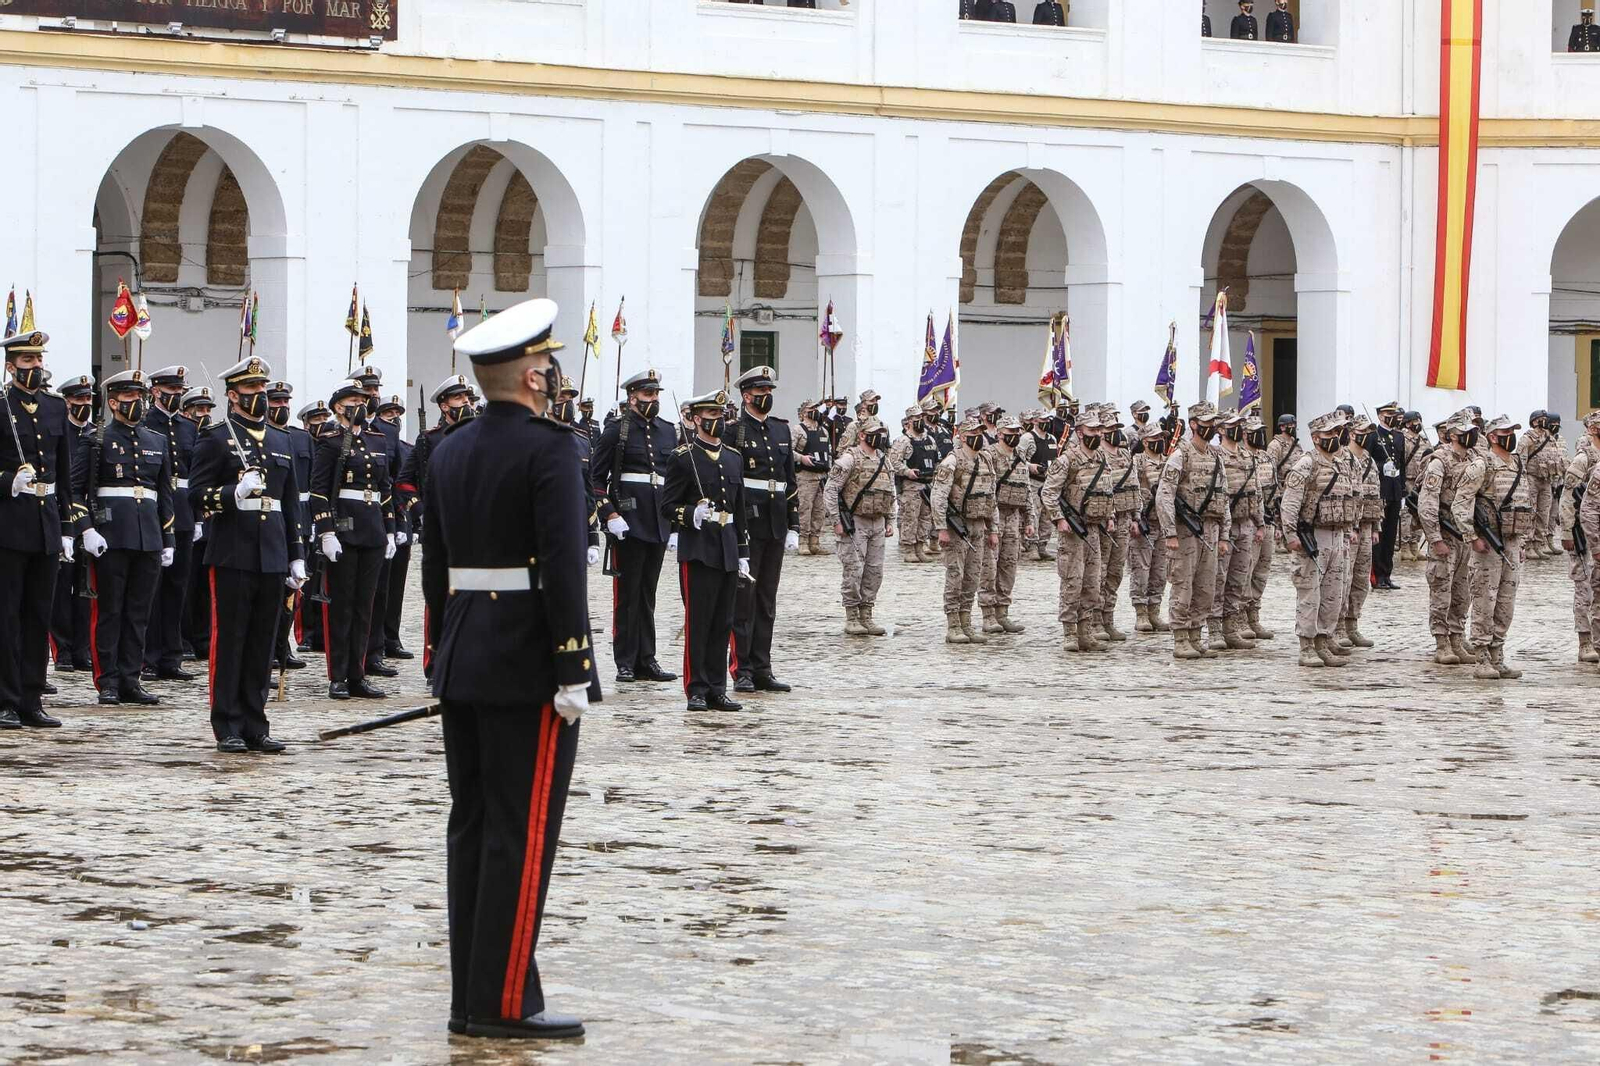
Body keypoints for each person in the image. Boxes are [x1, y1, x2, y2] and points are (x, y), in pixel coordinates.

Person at [419, 297, 595, 1041]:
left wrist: (441, 654)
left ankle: (472, 994)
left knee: (474, 827)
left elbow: (434, 569)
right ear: (532, 375)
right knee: (520, 838)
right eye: (549, 364)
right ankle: (502, 1004)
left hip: (464, 655)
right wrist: (573, 665)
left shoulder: (447, 448)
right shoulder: (550, 448)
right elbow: (562, 565)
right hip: (527, 663)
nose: (554, 374)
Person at [189, 356, 305, 753]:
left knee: (262, 642)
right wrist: (231, 494)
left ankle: (256, 722)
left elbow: (290, 506)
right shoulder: (216, 437)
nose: (260, 396)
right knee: (231, 640)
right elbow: (196, 494)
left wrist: (296, 555)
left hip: (272, 552)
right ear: (233, 395)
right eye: (252, 390)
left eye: (263, 389)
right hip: (233, 551)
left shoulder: (281, 439)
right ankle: (228, 724)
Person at [76, 369, 175, 706]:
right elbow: (77, 490)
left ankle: (131, 678)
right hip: (111, 535)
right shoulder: (96, 438)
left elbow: (164, 495)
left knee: (138, 612)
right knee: (110, 611)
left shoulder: (155, 441)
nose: (138, 402)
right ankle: (108, 680)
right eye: (130, 397)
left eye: (140, 396)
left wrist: (169, 539)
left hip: (148, 536)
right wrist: (86, 528)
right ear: (114, 401)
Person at [1, 328, 77, 729]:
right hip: (9, 523)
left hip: (46, 521)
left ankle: (32, 698)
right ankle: (6, 699)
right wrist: (6, 481)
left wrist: (66, 525)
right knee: (7, 615)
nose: (36, 367)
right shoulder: (0, 406)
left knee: (38, 615)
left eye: (39, 360)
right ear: (10, 366)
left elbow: (64, 472)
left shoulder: (53, 407)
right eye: (28, 362)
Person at [311, 378, 396, 701]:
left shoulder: (377, 440)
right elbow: (319, 491)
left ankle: (358, 674)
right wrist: (327, 531)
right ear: (338, 407)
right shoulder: (331, 442)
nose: (360, 405)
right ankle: (339, 676)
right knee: (342, 606)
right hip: (345, 529)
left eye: (363, 399)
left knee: (365, 606)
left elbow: (385, 489)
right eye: (353, 400)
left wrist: (389, 528)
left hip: (372, 527)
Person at [663, 389, 748, 711]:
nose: (717, 422)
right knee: (699, 623)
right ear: (696, 419)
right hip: (698, 548)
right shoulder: (682, 458)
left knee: (722, 622)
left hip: (727, 547)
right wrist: (690, 514)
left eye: (721, 416)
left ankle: (717, 688)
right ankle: (696, 688)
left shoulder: (733, 457)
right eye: (711, 417)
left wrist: (743, 552)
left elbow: (739, 510)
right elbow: (668, 505)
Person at [593, 369, 679, 684]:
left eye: (656, 394)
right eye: (647, 395)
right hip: (628, 523)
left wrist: (676, 525)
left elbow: (674, 479)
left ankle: (647, 658)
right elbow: (597, 480)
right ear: (632, 398)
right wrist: (610, 515)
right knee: (627, 596)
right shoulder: (617, 431)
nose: (653, 400)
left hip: (657, 521)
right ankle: (625, 661)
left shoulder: (667, 431)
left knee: (648, 594)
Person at [723, 365, 797, 694]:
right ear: (746, 395)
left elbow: (789, 482)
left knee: (767, 600)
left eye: (769, 392)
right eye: (760, 392)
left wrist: (793, 523)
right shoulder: (734, 431)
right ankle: (742, 669)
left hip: (775, 522)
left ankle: (763, 666)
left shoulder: (781, 431)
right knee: (744, 599)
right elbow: (729, 481)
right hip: (748, 523)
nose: (766, 397)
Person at [1454, 417, 1534, 679]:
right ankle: (1482, 657)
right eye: (1505, 432)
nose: (1510, 435)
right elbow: (1461, 503)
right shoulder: (1482, 465)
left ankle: (1498, 654)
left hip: (1511, 542)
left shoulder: (1518, 463)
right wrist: (1471, 536)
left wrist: (1523, 541)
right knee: (1484, 601)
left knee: (1505, 603)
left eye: (1512, 431)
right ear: (1492, 436)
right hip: (1488, 545)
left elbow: (1525, 503)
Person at [1155, 403, 1232, 660]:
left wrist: (1223, 535)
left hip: (1210, 529)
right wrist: (1170, 532)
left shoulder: (1216, 456)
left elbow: (1224, 497)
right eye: (1205, 422)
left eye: (1213, 422)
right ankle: (1180, 638)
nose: (1210, 427)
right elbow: (1164, 495)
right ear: (1194, 424)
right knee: (1182, 585)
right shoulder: (1181, 455)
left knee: (1206, 587)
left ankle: (1196, 635)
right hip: (1185, 530)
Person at [1279, 412, 1354, 667]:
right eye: (1329, 434)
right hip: (1312, 535)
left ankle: (1324, 639)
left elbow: (1350, 499)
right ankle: (1307, 646)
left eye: (1336, 433)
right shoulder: (1306, 464)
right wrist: (1290, 535)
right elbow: (1289, 503)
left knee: (1333, 593)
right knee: (1310, 593)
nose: (1335, 437)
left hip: (1336, 535)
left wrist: (1349, 530)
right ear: (1315, 438)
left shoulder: (1341, 463)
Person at [140, 365, 199, 683]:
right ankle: (148, 657)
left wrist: (199, 516)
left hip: (185, 511)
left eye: (179, 391)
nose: (176, 396)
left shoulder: (189, 427)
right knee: (153, 589)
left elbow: (199, 473)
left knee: (178, 588)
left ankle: (172, 656)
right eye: (170, 391)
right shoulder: (145, 423)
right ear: (155, 392)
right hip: (154, 513)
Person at [1043, 408, 1111, 654]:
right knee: (1073, 581)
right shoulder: (1067, 460)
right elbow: (1049, 492)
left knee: (1092, 582)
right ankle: (1070, 632)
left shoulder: (1101, 458)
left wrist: (1110, 516)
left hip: (1094, 529)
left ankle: (1086, 631)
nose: (1098, 434)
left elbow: (1106, 490)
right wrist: (1059, 519)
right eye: (1093, 430)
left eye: (1099, 430)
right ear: (1080, 432)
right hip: (1073, 530)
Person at [351, 367, 403, 681]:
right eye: (366, 391)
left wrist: (395, 525)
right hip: (350, 520)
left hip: (379, 519)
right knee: (351, 598)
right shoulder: (339, 430)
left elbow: (392, 481)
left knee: (379, 591)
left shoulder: (388, 432)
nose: (373, 395)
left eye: (374, 390)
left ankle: (375, 652)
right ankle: (350, 662)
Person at [931, 417, 1000, 644]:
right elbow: (938, 497)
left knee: (973, 575)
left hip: (978, 524)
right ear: (961, 436)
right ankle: (953, 625)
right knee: (955, 575)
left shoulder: (985, 460)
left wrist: (993, 529)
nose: (978, 436)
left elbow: (991, 497)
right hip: (956, 526)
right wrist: (941, 528)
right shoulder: (952, 461)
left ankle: (966, 622)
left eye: (980, 432)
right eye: (973, 433)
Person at [825, 417, 896, 637]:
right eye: (874, 432)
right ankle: (852, 616)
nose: (879, 436)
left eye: (881, 432)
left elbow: (891, 493)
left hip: (878, 522)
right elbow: (830, 490)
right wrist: (836, 521)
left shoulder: (885, 460)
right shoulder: (849, 459)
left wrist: (891, 520)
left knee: (874, 571)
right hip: (855, 523)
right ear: (862, 434)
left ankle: (867, 613)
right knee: (854, 570)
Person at [49, 374, 96, 677]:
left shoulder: (96, 435)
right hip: (61, 515)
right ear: (67, 401)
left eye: (88, 399)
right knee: (59, 587)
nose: (84, 405)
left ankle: (82, 648)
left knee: (85, 589)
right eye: (78, 400)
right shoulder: (58, 432)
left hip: (91, 520)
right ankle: (62, 648)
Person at [1419, 415, 1475, 666]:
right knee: (1442, 589)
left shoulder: (1475, 460)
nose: (1471, 435)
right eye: (1465, 431)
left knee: (1463, 592)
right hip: (1445, 535)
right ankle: (1441, 642)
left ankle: (1456, 636)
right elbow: (1427, 504)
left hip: (1466, 537)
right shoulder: (1439, 462)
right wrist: (1434, 538)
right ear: (1452, 434)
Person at [1210, 410, 1266, 652]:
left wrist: (1260, 522)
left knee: (1238, 579)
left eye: (1239, 425)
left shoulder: (1246, 455)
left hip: (1246, 523)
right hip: (1225, 525)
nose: (1238, 429)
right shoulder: (1215, 455)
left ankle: (1231, 627)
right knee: (1218, 578)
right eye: (1232, 425)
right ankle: (1213, 630)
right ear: (1221, 429)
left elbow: (1257, 491)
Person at [267, 381, 310, 673]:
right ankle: (268, 649)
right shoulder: (261, 438)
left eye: (285, 402)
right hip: (268, 523)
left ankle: (283, 646)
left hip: (296, 523)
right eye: (276, 402)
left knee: (292, 593)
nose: (282, 407)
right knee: (270, 594)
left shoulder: (299, 438)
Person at [374, 394, 416, 662]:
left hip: (403, 520)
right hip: (379, 520)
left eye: (398, 414)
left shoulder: (408, 448)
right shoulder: (377, 444)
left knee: (397, 585)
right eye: (389, 415)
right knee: (379, 587)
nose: (395, 419)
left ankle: (392, 636)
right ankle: (376, 640)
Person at [180, 387, 218, 662]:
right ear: (187, 410)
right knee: (187, 584)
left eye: (207, 409)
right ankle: (184, 639)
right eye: (199, 409)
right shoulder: (182, 433)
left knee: (206, 587)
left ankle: (203, 638)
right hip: (186, 513)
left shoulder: (214, 437)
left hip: (211, 516)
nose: (204, 414)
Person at [1559, 412, 1600, 664]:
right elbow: (1567, 494)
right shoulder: (1584, 458)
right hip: (1581, 532)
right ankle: (1585, 641)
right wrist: (1566, 531)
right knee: (1584, 587)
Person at [294, 399, 334, 654]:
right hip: (306, 514)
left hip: (330, 515)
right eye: (315, 420)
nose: (320, 424)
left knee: (326, 578)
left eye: (323, 419)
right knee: (307, 579)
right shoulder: (299, 442)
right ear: (306, 424)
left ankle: (323, 633)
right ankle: (306, 634)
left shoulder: (335, 445)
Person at [1093, 407, 1136, 644]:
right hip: (1104, 521)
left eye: (1116, 429)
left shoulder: (1125, 455)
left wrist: (1136, 516)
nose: (1115, 433)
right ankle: (1095, 620)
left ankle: (1108, 618)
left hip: (1124, 518)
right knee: (1099, 572)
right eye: (1109, 430)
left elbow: (1134, 485)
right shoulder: (1097, 456)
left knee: (1115, 572)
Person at [1340, 417, 1382, 651]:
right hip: (1349, 529)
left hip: (1366, 527)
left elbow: (1375, 494)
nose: (1369, 436)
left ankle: (1352, 624)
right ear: (1352, 433)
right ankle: (1336, 626)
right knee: (1343, 578)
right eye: (1364, 431)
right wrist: (1351, 528)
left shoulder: (1369, 460)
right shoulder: (1343, 458)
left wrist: (1376, 526)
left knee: (1360, 579)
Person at [1129, 422, 1171, 633]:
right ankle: (1141, 613)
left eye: (1161, 438)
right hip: (1144, 524)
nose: (1160, 442)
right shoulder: (1137, 462)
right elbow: (1131, 490)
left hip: (1163, 524)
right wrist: (1135, 518)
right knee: (1141, 570)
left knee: (1160, 571)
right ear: (1145, 442)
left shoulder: (1169, 462)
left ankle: (1155, 610)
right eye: (1155, 439)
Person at [889, 405, 938, 564]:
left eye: (921, 418)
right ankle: (909, 549)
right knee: (911, 518)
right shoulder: (903, 441)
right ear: (909, 421)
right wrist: (906, 471)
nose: (920, 421)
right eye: (916, 419)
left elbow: (936, 459)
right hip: (911, 486)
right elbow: (893, 462)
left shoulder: (929, 439)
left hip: (928, 484)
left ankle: (920, 547)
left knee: (925, 518)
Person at [1242, 414, 1276, 640]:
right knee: (1245, 570)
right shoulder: (1240, 458)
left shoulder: (1266, 458)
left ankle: (1254, 615)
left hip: (1268, 520)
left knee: (1261, 571)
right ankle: (1240, 617)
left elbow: (1274, 490)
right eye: (1255, 431)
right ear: (1245, 434)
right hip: (1249, 521)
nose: (1260, 435)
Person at [1369, 401, 1405, 589]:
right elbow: (1368, 462)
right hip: (1380, 490)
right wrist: (1383, 467)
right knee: (1379, 535)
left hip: (1394, 490)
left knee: (1391, 535)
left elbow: (1403, 463)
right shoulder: (1374, 436)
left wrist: (1403, 489)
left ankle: (1387, 574)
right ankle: (1377, 575)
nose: (1392, 417)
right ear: (1380, 416)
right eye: (1388, 414)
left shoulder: (1399, 437)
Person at [793, 401, 831, 555]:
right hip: (805, 476)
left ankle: (815, 542)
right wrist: (801, 458)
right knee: (805, 510)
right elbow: (788, 451)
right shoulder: (798, 430)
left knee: (819, 511)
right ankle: (803, 542)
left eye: (816, 409)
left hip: (821, 476)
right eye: (811, 409)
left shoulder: (824, 430)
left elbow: (828, 452)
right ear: (803, 412)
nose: (815, 411)